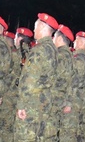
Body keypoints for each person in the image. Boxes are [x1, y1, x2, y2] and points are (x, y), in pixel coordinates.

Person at [15, 13, 59, 142]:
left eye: (36, 26)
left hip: (31, 104)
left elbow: (29, 79)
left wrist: (21, 104)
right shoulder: (53, 49)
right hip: (43, 103)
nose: (34, 30)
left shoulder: (39, 50)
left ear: (43, 28)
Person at [53, 24, 75, 142]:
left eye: (54, 37)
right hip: (63, 99)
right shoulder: (70, 56)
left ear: (60, 39)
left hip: (55, 99)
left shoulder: (60, 56)